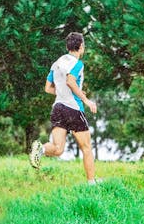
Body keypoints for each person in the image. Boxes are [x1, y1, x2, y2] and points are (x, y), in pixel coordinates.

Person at [30, 32, 99, 185]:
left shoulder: (57, 62)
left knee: (58, 149)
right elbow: (70, 81)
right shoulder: (77, 63)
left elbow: (48, 88)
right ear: (81, 46)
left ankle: (40, 149)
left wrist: (68, 91)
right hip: (73, 108)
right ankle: (92, 183)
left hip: (58, 107)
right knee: (87, 147)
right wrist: (86, 100)